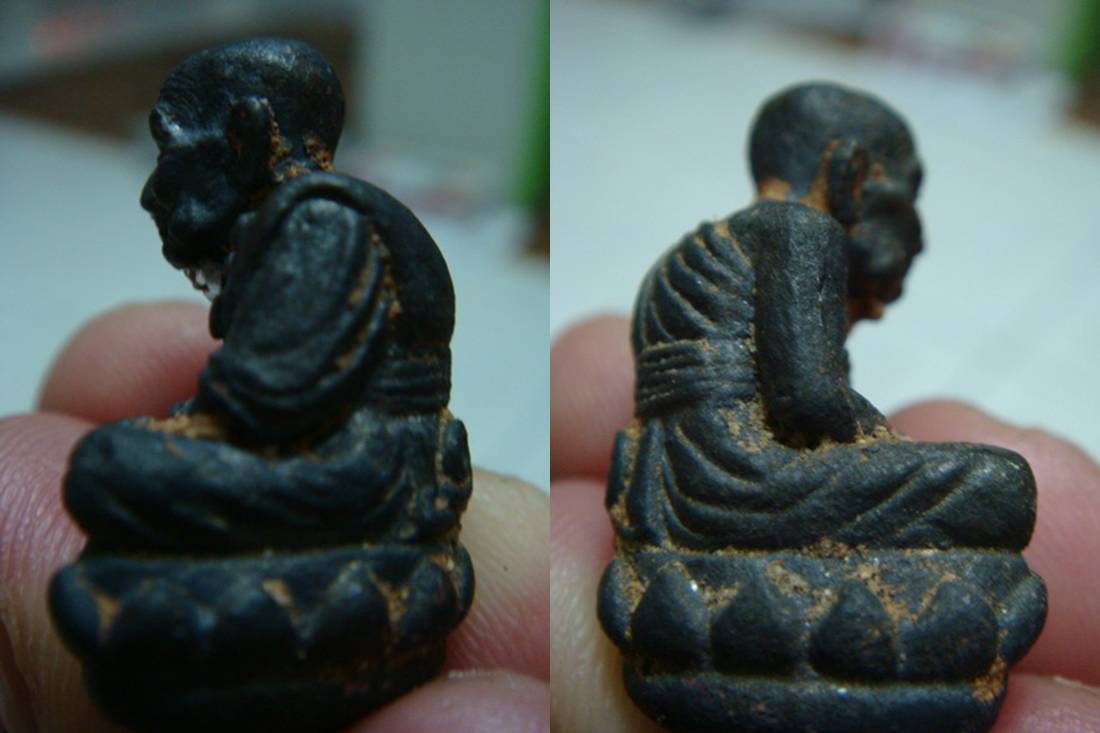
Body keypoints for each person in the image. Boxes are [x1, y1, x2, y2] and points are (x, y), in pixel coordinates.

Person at [0, 301, 549, 733]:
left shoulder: (320, 228)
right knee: (115, 466)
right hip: (343, 474)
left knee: (109, 463)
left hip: (361, 467)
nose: (161, 204)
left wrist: (212, 417)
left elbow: (281, 391)